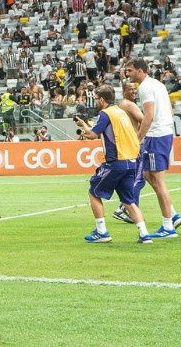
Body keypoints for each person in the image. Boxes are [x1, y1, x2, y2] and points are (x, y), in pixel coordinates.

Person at [74, 85, 152, 244]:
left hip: (115, 161)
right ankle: (144, 234)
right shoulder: (121, 112)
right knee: (129, 200)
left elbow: (92, 135)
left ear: (102, 99)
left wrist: (83, 125)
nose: (96, 101)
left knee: (94, 192)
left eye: (97, 99)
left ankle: (101, 231)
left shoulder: (105, 114)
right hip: (130, 161)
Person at [124, 57, 181, 239]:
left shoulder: (144, 88)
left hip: (156, 135)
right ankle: (172, 214)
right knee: (147, 175)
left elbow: (148, 116)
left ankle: (168, 226)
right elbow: (170, 110)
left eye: (130, 70)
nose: (128, 73)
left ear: (140, 71)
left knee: (158, 181)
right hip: (163, 132)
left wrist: (138, 138)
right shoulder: (158, 84)